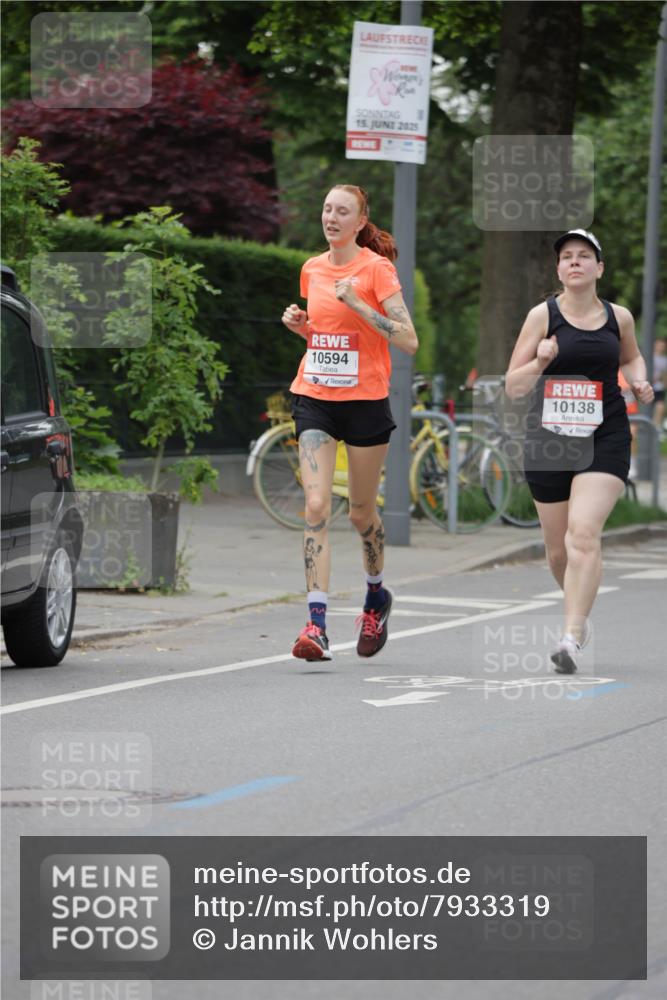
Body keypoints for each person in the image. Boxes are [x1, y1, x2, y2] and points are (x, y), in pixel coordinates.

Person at [505, 229, 653, 673]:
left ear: (598, 268)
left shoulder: (618, 317)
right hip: (549, 441)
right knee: (558, 552)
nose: (574, 263)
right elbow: (513, 386)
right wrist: (540, 361)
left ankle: (571, 636)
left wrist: (640, 380)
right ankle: (579, 618)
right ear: (558, 269)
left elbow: (631, 359)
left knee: (583, 534)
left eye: (584, 256)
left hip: (603, 436)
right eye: (567, 257)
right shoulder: (541, 317)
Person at [281, 184, 418, 661]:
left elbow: (408, 340)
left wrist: (360, 304)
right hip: (315, 396)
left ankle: (376, 597)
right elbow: (327, 336)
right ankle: (316, 625)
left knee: (360, 513)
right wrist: (305, 330)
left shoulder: (377, 269)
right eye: (326, 209)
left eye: (343, 211)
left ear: (360, 221)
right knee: (316, 505)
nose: (331, 217)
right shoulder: (312, 268)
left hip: (365, 402)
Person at [652, 336, 667, 434]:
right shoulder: (648, 356)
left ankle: (655, 428)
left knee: (660, 406)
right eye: (659, 344)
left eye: (663, 345)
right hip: (647, 386)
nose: (661, 347)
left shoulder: (665, 360)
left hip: (659, 387)